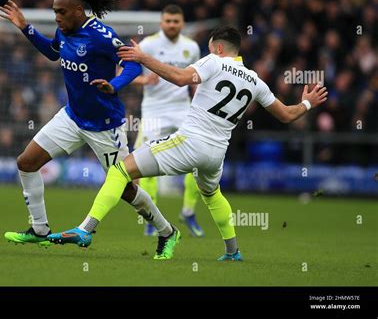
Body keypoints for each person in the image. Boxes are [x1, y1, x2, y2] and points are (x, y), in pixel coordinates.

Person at [49, 26, 328, 261]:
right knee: (212, 195)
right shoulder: (256, 81)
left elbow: (181, 78)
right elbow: (286, 115)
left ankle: (86, 229)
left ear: (217, 48)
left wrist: (143, 57)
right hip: (217, 153)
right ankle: (232, 252)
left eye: (209, 49)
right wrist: (307, 102)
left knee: (120, 171)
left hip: (190, 142)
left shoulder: (214, 62)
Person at [0, 0, 180, 255]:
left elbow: (133, 66)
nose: (56, 17)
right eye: (54, 12)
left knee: (125, 190)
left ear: (78, 11)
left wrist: (114, 85)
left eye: (61, 12)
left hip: (105, 126)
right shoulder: (65, 31)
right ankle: (39, 229)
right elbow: (52, 52)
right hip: (72, 117)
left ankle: (168, 231)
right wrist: (25, 28)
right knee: (26, 162)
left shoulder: (101, 36)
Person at [132, 4, 205, 237]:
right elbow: (121, 73)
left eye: (176, 21)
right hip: (154, 110)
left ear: (182, 24)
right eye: (168, 21)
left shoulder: (191, 47)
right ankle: (152, 218)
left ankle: (188, 211)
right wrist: (143, 82)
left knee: (197, 161)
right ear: (161, 22)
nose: (172, 25)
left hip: (183, 109)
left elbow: (196, 80)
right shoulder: (148, 45)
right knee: (147, 164)